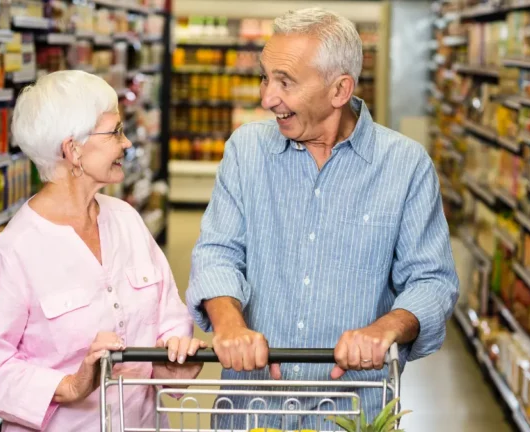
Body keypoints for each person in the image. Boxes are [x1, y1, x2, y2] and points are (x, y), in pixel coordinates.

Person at [186, 6, 459, 430]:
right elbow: (218, 253)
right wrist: (229, 326)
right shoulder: (246, 152)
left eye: (285, 82)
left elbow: (432, 281)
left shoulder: (405, 166)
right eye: (265, 77)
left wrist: (387, 327)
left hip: (353, 414)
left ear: (339, 90)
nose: (267, 97)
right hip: (253, 411)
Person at [0, 70, 206, 432]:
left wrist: (173, 358)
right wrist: (70, 385)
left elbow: (168, 314)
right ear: (72, 149)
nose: (126, 143)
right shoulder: (14, 252)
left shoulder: (126, 220)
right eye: (115, 132)